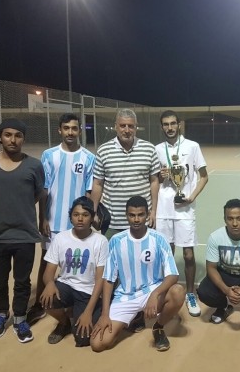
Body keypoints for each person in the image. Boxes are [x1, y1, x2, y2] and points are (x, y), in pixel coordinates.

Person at [0, 118, 45, 343]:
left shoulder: (34, 165)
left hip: (25, 235)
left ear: (23, 139)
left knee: (22, 281)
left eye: (18, 135)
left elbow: (38, 194)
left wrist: (20, 206)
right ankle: (1, 313)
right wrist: (3, 206)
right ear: (0, 137)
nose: (13, 139)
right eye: (8, 135)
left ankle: (20, 318)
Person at [91, 196, 185, 352]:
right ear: (126, 215)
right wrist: (104, 314)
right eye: (132, 215)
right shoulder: (116, 240)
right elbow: (108, 279)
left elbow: (173, 275)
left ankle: (158, 327)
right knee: (97, 344)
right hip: (125, 297)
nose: (136, 219)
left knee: (178, 292)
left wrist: (155, 294)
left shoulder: (159, 239)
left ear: (147, 215)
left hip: (152, 292)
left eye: (140, 215)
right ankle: (134, 316)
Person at [27, 113, 96, 325]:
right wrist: (43, 218)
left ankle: (73, 301)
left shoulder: (88, 158)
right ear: (59, 130)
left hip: (77, 223)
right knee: (47, 261)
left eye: (74, 128)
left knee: (78, 261)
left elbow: (89, 193)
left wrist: (88, 219)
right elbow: (44, 190)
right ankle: (40, 303)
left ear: (79, 130)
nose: (70, 132)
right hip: (54, 222)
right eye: (66, 128)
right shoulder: (49, 155)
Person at [155, 110, 208, 317]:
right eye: (166, 124)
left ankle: (190, 293)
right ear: (162, 127)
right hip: (163, 209)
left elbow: (204, 176)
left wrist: (192, 196)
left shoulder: (192, 146)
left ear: (179, 125)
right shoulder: (157, 149)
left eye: (173, 123)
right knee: (166, 253)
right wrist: (161, 176)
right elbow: (154, 180)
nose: (170, 128)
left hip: (185, 208)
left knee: (188, 254)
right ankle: (165, 293)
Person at [40, 196, 108, 347]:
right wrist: (50, 284)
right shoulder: (61, 238)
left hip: (88, 292)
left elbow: (100, 280)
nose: (80, 219)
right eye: (76, 214)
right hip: (66, 285)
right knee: (46, 300)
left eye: (85, 215)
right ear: (71, 217)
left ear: (92, 218)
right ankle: (64, 322)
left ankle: (85, 310)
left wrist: (88, 312)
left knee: (83, 339)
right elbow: (48, 272)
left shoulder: (100, 241)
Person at [90, 108, 160, 238]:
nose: (127, 130)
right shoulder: (103, 150)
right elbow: (98, 184)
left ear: (136, 127)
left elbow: (154, 181)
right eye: (122, 126)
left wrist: (154, 211)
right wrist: (93, 212)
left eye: (131, 126)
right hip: (112, 223)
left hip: (142, 221)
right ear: (115, 126)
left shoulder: (149, 149)